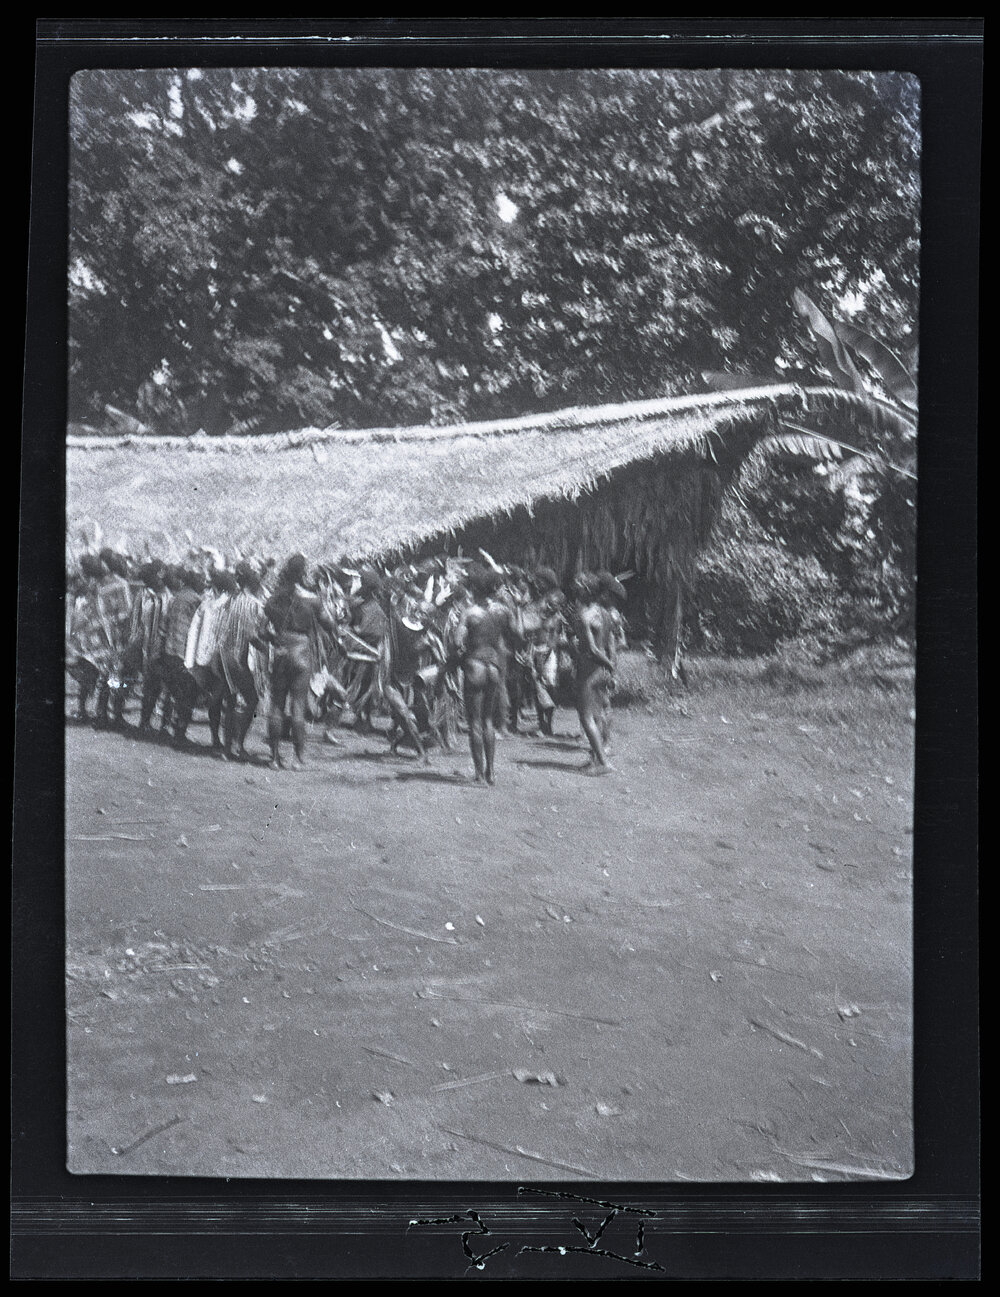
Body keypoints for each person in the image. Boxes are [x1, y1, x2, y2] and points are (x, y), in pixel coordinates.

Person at [259, 553, 336, 770]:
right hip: (302, 651)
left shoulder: (274, 599)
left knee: (276, 705)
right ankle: (298, 759)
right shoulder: (312, 600)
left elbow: (261, 629)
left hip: (282, 650)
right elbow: (330, 624)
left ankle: (274, 757)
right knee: (298, 706)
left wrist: (275, 640)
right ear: (303, 573)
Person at [450, 564, 523, 785]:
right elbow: (518, 635)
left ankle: (479, 774)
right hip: (494, 666)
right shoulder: (503, 611)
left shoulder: (469, 613)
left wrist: (458, 654)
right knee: (489, 720)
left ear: (475, 589)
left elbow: (456, 642)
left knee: (474, 722)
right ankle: (491, 772)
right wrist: (517, 608)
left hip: (475, 665)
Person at [216, 561, 266, 761]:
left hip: (223, 656)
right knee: (252, 699)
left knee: (230, 701)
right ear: (252, 580)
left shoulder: (229, 600)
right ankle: (237, 745)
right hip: (238, 658)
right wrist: (269, 648)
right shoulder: (253, 604)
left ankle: (228, 747)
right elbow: (252, 635)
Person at [572, 572, 616, 774]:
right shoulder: (605, 613)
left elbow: (592, 650)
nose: (576, 587)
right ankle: (595, 759)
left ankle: (604, 763)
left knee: (586, 717)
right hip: (601, 671)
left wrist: (609, 664)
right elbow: (608, 644)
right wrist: (610, 666)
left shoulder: (585, 615)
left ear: (587, 590)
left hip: (590, 670)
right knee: (596, 716)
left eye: (579, 585)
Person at [160, 567, 206, 749]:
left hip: (169, 651)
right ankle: (180, 733)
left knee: (173, 691)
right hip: (183, 653)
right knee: (188, 693)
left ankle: (166, 727)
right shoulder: (196, 600)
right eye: (202, 581)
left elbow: (164, 625)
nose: (204, 584)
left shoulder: (175, 598)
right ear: (194, 582)